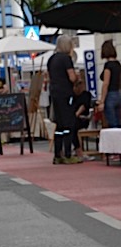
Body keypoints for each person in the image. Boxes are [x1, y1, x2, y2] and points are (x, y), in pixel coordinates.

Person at [47, 35, 78, 164]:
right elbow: (72, 77)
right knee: (69, 124)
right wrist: (77, 77)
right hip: (66, 93)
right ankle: (68, 154)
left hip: (54, 93)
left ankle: (57, 154)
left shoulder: (51, 59)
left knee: (59, 125)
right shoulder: (66, 59)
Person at [98, 40, 121, 128]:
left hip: (110, 95)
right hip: (118, 93)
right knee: (119, 122)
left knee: (112, 124)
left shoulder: (108, 65)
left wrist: (102, 101)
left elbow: (106, 83)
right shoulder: (118, 64)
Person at [71, 79, 92, 160]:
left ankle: (78, 151)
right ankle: (75, 148)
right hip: (74, 118)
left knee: (73, 126)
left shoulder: (86, 95)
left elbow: (83, 107)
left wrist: (76, 114)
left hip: (83, 118)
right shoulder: (72, 96)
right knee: (70, 126)